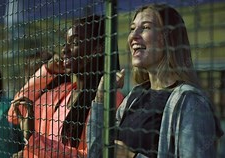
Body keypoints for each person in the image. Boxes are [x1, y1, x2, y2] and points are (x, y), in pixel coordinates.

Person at [87, 4, 224, 158]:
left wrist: (130, 156)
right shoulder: (134, 96)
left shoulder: (191, 101)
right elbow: (96, 153)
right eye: (132, 29)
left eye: (145, 27)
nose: (133, 36)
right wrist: (100, 99)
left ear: (168, 38)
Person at [7, 15, 124, 158]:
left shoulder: (110, 98)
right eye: (65, 43)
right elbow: (15, 112)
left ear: (97, 49)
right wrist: (47, 72)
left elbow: (94, 155)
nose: (64, 50)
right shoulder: (63, 93)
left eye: (74, 42)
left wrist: (35, 141)